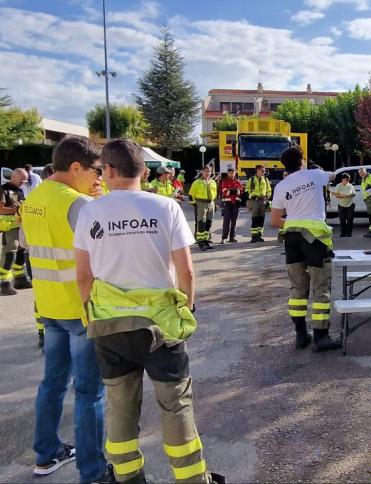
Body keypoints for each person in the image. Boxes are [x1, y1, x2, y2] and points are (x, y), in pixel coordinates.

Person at [74, 139, 224, 484]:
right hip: (161, 326)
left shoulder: (90, 212)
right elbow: (185, 271)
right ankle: (191, 479)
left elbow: (83, 275)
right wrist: (186, 310)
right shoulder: (166, 207)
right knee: (176, 404)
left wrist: (91, 316)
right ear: (144, 170)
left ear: (107, 171)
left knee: (120, 404)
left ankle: (128, 477)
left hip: (109, 324)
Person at [22, 136, 108, 482]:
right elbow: (103, 253)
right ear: (76, 168)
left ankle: (46, 454)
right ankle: (93, 471)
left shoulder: (33, 198)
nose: (98, 177)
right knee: (90, 393)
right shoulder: (80, 205)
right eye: (95, 170)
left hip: (48, 307)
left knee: (52, 383)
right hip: (80, 309)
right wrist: (95, 205)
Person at [270, 146, 341, 352]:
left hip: (291, 239)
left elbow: (275, 220)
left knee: (298, 288)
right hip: (315, 240)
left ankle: (301, 335)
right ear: (302, 160)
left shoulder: (281, 186)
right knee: (321, 287)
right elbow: (334, 175)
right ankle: (321, 337)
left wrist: (294, 222)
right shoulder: (315, 174)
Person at [0, 168, 30, 295]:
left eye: (25, 181)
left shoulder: (20, 190)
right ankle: (4, 284)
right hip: (9, 228)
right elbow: (1, 209)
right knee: (9, 254)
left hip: (20, 227)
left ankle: (20, 279)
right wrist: (17, 210)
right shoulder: (3, 189)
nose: (23, 183)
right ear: (13, 176)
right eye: (21, 180)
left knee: (21, 251)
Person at [189, 166, 218, 250]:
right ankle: (201, 242)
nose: (208, 173)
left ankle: (206, 240)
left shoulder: (213, 182)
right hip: (201, 203)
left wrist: (213, 202)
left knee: (209, 222)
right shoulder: (197, 182)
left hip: (210, 203)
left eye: (209, 171)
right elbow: (191, 195)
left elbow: (215, 193)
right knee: (202, 222)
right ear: (202, 172)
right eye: (206, 171)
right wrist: (195, 204)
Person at [247, 165, 271, 243]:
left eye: (264, 171)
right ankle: (254, 237)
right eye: (262, 170)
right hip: (255, 201)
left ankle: (259, 235)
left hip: (263, 201)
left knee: (261, 218)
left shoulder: (266, 180)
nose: (263, 172)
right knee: (255, 218)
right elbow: (247, 190)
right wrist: (252, 196)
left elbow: (269, 190)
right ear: (257, 171)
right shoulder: (252, 179)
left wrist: (267, 196)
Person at [220, 168, 243, 243]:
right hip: (227, 203)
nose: (231, 174)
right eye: (230, 173)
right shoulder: (224, 182)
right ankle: (224, 238)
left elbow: (241, 192)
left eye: (233, 173)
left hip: (236, 203)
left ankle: (232, 237)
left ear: (235, 174)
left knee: (234, 221)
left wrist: (231, 190)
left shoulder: (238, 182)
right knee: (226, 221)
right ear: (227, 174)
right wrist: (235, 191)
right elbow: (225, 192)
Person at [334, 172, 355, 237]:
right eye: (347, 180)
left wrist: (351, 195)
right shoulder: (338, 186)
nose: (348, 181)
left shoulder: (350, 185)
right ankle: (343, 233)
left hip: (350, 204)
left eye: (348, 180)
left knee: (350, 219)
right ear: (343, 179)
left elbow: (354, 193)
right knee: (342, 220)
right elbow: (336, 195)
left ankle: (349, 233)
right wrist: (345, 196)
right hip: (341, 205)